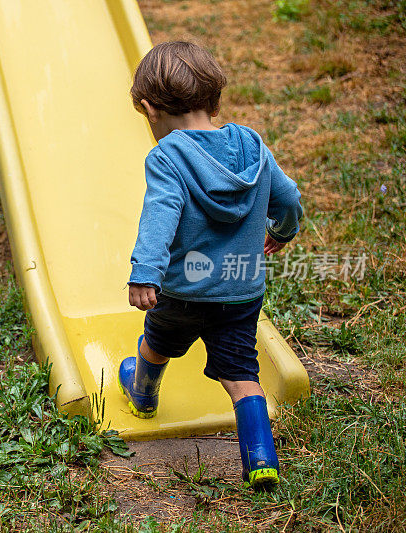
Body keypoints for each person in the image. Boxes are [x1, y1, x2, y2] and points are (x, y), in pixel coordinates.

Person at [118, 41, 303, 490]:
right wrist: (281, 233)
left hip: (183, 292)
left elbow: (159, 215)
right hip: (241, 289)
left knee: (157, 344)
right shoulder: (251, 146)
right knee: (242, 374)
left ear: (149, 109)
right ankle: (261, 458)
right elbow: (290, 199)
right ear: (214, 98)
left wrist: (144, 272)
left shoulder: (167, 156)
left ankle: (142, 393)